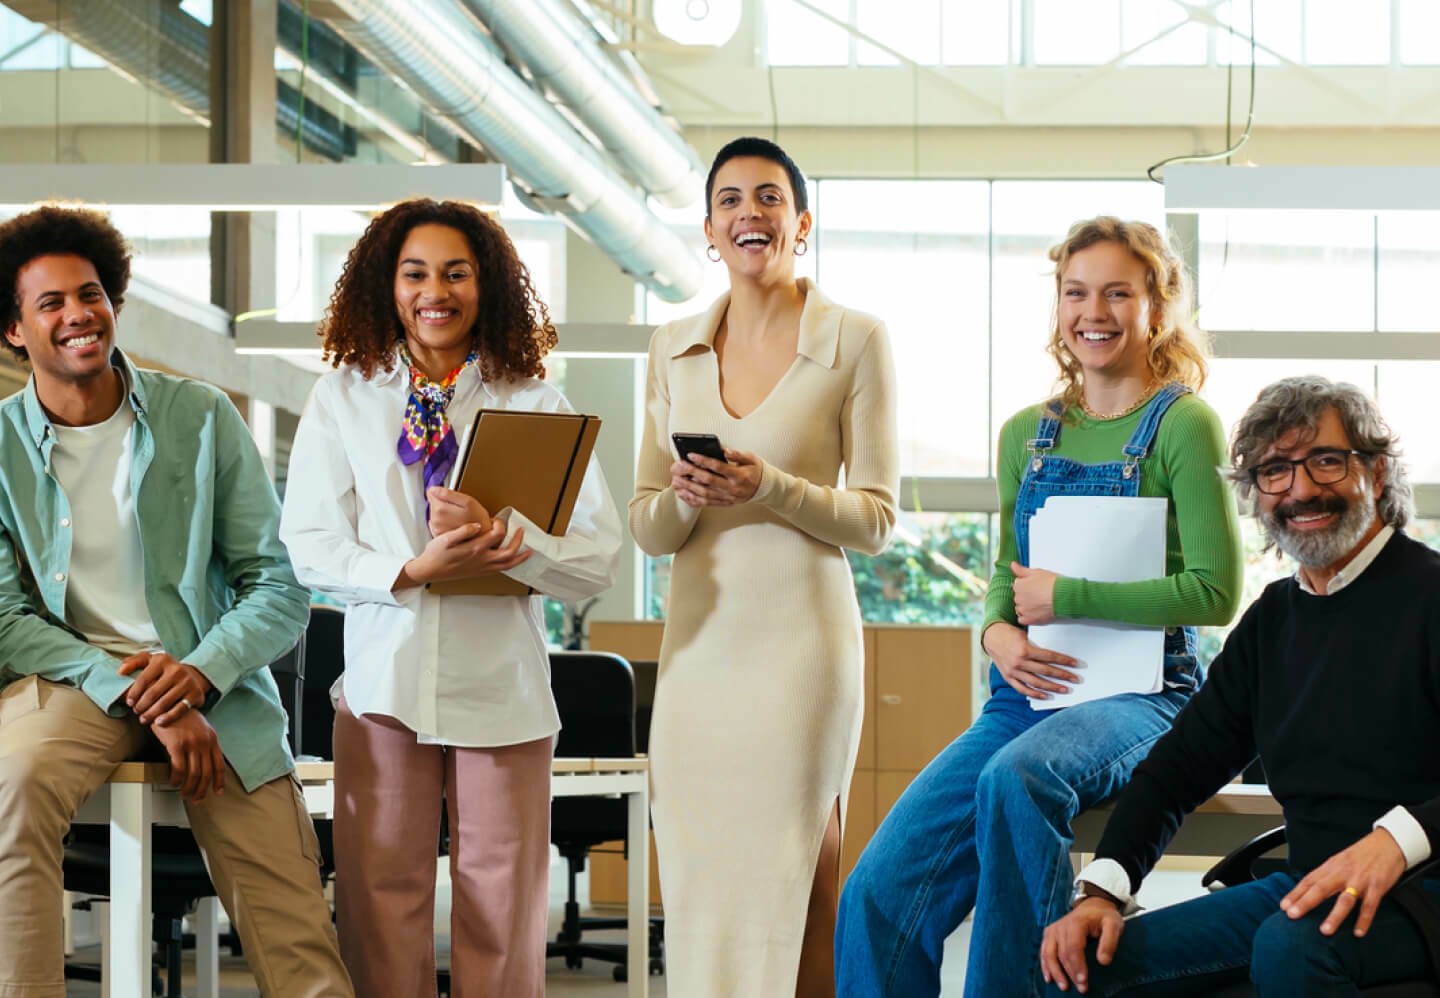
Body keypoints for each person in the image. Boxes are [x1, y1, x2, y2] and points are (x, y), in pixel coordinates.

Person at [836, 216, 1244, 997]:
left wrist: (1071, 596)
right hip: (1025, 695)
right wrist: (996, 632)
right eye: (1076, 292)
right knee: (876, 894)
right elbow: (1004, 570)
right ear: (1059, 307)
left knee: (1018, 778)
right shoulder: (1027, 433)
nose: (1095, 311)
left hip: (1144, 696)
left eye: (1118, 293)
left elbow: (1215, 591)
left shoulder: (1185, 424)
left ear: (1156, 308)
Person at [0, 205, 352, 996]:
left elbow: (278, 584)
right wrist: (138, 688)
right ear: (15, 330)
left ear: (113, 302)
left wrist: (193, 677)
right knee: (11, 784)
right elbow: (3, 619)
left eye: (89, 294)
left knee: (294, 922)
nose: (78, 315)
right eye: (49, 303)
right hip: (72, 681)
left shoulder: (201, 418)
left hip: (209, 686)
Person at [279, 198, 620, 997]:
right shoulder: (345, 397)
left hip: (500, 684)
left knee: (501, 908)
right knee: (378, 901)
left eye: (457, 272)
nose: (437, 290)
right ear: (386, 286)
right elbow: (311, 547)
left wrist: (518, 544)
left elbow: (597, 558)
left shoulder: (536, 401)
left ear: (486, 285)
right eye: (416, 273)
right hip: (382, 684)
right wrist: (412, 569)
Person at [1041, 375, 1440, 996]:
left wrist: (1395, 840)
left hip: (1425, 892)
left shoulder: (1432, 598)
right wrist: (1101, 890)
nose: (1300, 490)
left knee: (1290, 947)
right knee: (1085, 962)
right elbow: (1180, 766)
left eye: (1326, 462)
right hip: (1310, 887)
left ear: (1378, 473)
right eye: (1275, 471)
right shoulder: (1273, 620)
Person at [629, 135, 899, 996]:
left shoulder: (856, 340)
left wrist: (770, 486)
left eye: (771, 197)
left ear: (801, 222)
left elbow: (877, 520)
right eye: (732, 200)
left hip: (801, 650)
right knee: (703, 882)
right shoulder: (669, 347)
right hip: (701, 652)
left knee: (803, 880)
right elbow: (647, 526)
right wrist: (688, 496)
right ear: (709, 230)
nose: (752, 212)